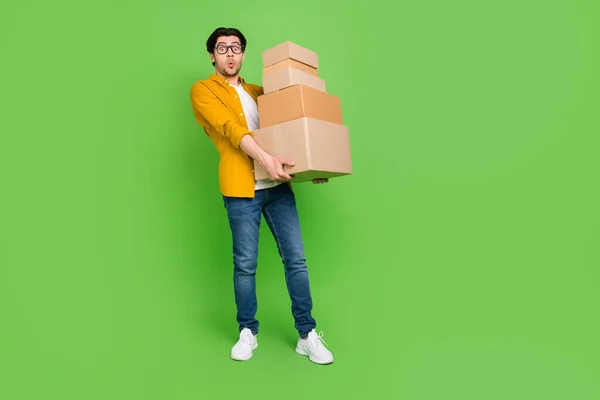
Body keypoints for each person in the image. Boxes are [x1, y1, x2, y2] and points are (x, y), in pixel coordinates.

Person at [189, 27, 334, 365]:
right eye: (222, 48)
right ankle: (247, 331)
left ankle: (306, 334)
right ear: (212, 55)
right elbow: (230, 129)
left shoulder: (259, 92)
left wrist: (314, 164)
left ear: (242, 55)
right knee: (245, 264)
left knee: (296, 260)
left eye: (236, 48)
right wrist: (266, 159)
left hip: (278, 189)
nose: (229, 54)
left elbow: (291, 128)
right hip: (241, 190)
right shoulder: (203, 90)